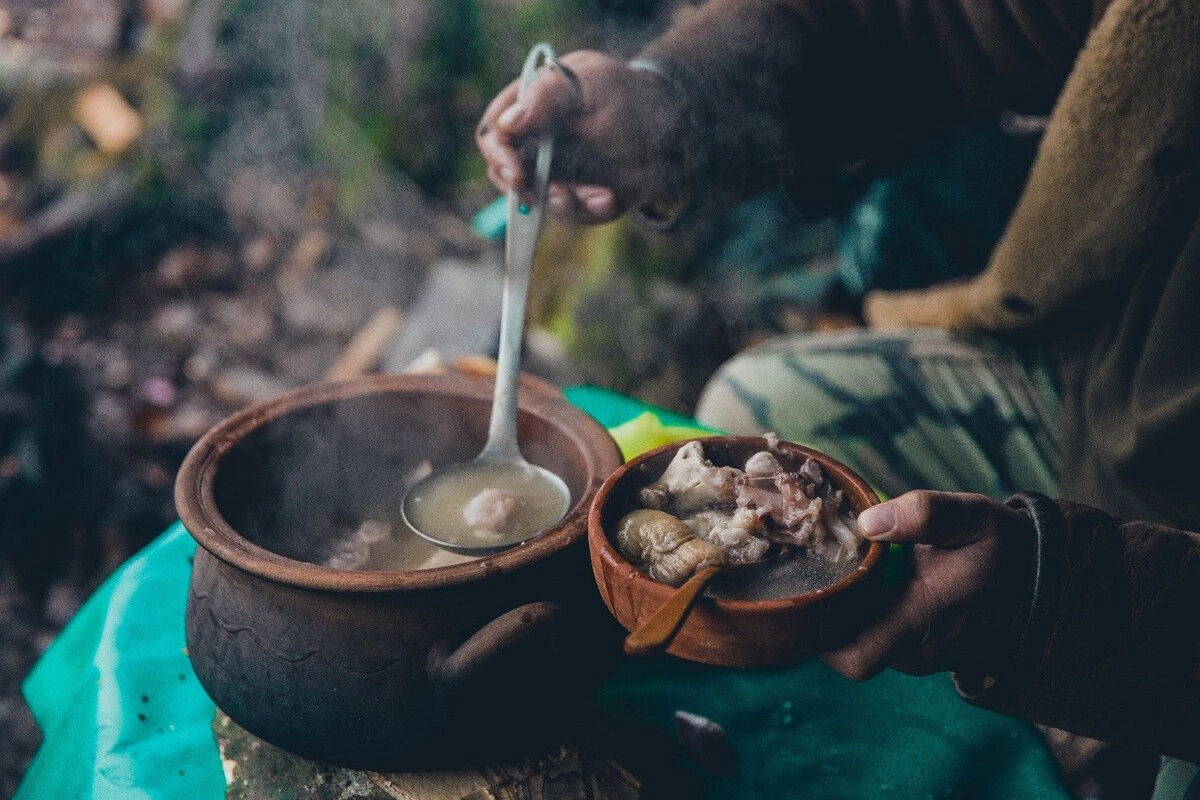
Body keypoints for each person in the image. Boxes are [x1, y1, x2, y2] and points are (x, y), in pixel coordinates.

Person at [476, 0, 1200, 796]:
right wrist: (667, 103)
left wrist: (1067, 611)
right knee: (759, 397)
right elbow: (934, 23)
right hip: (1099, 377)